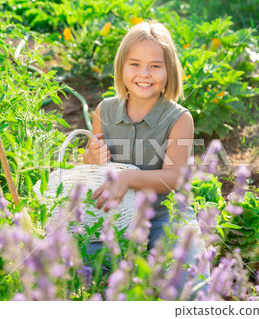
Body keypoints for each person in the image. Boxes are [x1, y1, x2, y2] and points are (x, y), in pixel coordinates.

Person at [83, 21, 208, 293]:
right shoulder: (105, 110)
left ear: (169, 70)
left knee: (190, 279)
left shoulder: (179, 118)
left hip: (164, 214)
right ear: (121, 68)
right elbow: (94, 168)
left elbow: (174, 178)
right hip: (116, 215)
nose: (144, 74)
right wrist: (92, 157)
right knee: (82, 268)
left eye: (155, 66)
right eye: (135, 64)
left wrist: (129, 177)